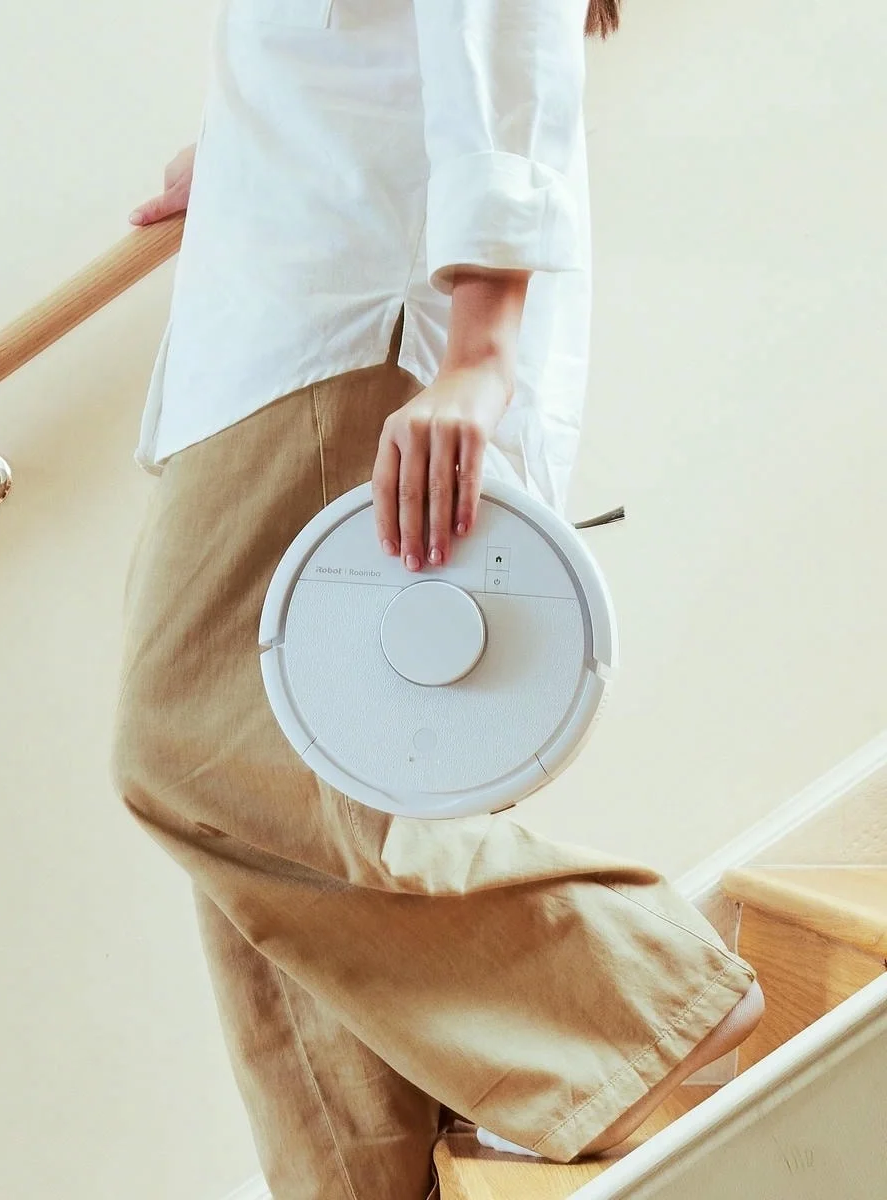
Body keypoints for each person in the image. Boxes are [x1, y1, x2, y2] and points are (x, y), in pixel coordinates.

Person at [112, 3, 764, 1197]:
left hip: (343, 321)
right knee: (291, 838)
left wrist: (480, 352)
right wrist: (253, 148)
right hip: (289, 291)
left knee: (197, 746)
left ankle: (639, 1001)